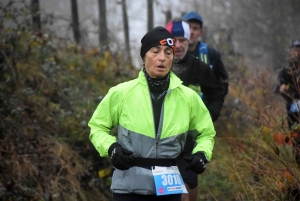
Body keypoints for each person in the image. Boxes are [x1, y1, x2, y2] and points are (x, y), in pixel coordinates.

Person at [88, 26, 216, 201]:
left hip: (169, 188)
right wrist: (111, 148)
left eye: (168, 53)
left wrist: (202, 153)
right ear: (144, 56)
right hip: (128, 187)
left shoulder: (189, 98)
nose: (162, 58)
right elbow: (97, 127)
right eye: (155, 52)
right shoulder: (122, 93)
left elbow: (206, 133)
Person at [166, 20, 225, 201]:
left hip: (189, 142)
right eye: (173, 40)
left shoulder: (200, 68)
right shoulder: (158, 68)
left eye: (182, 40)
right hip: (162, 144)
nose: (178, 45)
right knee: (170, 194)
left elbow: (217, 93)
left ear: (189, 41)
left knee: (185, 193)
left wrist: (208, 116)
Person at [182, 11, 229, 96]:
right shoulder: (172, 54)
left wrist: (213, 107)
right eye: (188, 28)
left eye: (195, 28)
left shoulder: (212, 54)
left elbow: (223, 82)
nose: (191, 32)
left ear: (201, 32)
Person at [275, 39, 300, 166]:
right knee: (295, 135)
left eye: (299, 49)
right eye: (295, 49)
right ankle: (298, 160)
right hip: (293, 108)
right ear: (291, 51)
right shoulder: (286, 70)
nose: (297, 52)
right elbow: (279, 88)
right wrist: (283, 87)